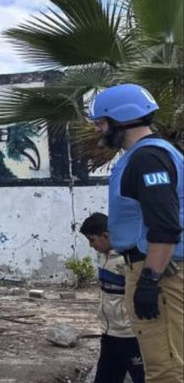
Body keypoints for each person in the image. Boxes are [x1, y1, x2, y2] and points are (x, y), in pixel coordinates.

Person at [88, 83, 184, 382]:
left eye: (101, 122)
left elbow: (165, 226)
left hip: (160, 271)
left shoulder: (147, 158)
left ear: (121, 118)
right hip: (157, 268)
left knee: (166, 368)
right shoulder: (149, 155)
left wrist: (150, 281)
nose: (98, 130)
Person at [78, 212, 145, 383]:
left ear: (105, 236)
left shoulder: (128, 259)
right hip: (109, 333)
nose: (91, 245)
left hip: (131, 336)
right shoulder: (104, 256)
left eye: (92, 240)